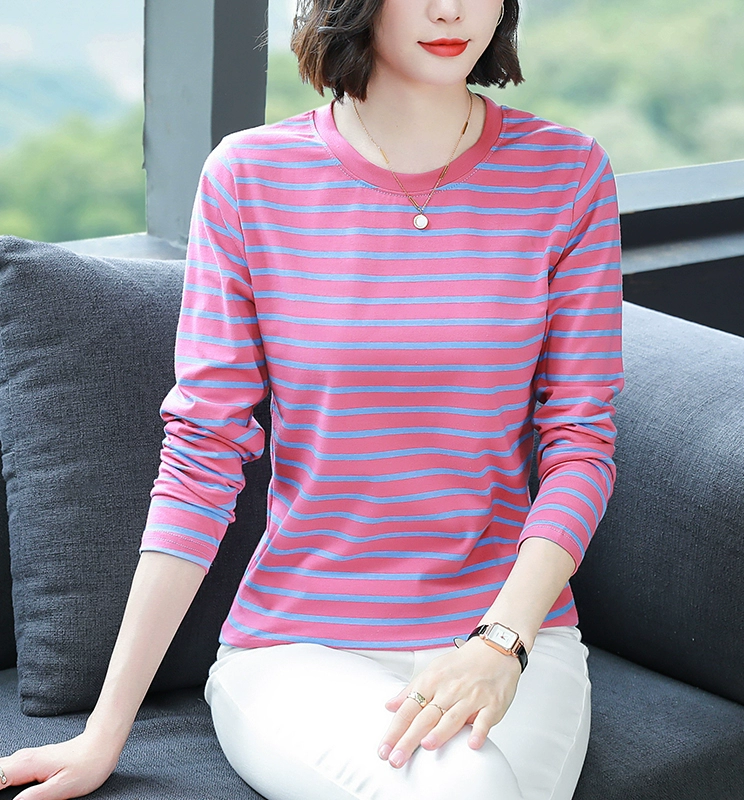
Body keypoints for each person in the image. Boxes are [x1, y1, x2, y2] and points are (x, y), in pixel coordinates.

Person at [0, 1, 623, 798]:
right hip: (299, 648)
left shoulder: (566, 174)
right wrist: (103, 732)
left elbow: (580, 443)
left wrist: (500, 641)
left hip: (510, 634)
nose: (450, 10)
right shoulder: (250, 176)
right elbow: (201, 457)